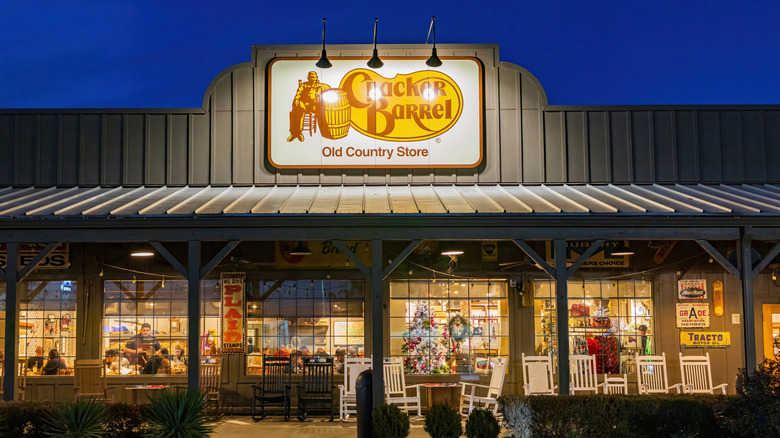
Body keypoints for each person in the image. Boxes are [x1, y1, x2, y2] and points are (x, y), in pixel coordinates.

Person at [287, 71, 330, 142]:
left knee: (325, 110)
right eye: (310, 77)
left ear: (316, 78)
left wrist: (322, 87)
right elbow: (298, 94)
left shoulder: (319, 85)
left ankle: (326, 132)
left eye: (313, 77)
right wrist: (296, 101)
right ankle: (295, 133)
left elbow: (327, 87)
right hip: (304, 105)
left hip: (314, 106)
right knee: (295, 111)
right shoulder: (304, 85)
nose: (312, 79)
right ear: (308, 78)